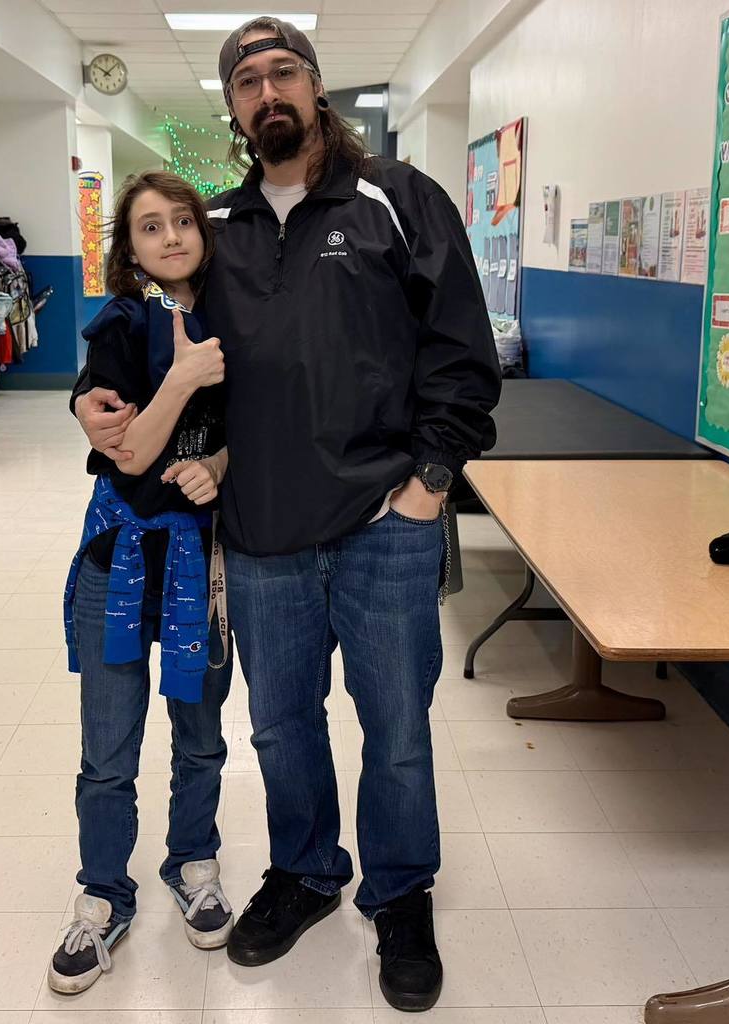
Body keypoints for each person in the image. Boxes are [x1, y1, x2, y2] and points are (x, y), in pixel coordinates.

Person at [73, 18, 501, 1012]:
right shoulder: (214, 228)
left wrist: (429, 481)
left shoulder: (397, 198)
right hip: (261, 529)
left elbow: (460, 349)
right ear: (231, 107)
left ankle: (399, 894)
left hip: (385, 522)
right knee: (279, 725)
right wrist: (87, 393)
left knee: (395, 727)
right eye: (247, 80)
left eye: (284, 72)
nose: (267, 91)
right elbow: (141, 332)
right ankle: (307, 871)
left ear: (317, 88)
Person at [50, 171, 235, 996]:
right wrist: (185, 377)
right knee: (108, 749)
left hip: (206, 562)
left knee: (200, 735)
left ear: (203, 229)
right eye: (149, 228)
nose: (169, 238)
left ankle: (193, 862)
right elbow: (126, 453)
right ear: (130, 249)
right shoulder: (121, 324)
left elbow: (262, 427)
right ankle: (102, 894)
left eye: (181, 221)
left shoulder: (239, 316)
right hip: (119, 557)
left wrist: (218, 464)